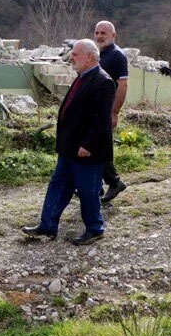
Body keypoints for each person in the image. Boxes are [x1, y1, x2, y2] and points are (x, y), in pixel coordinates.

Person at [22, 39, 115, 245]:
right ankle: (47, 226)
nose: (71, 57)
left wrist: (88, 145)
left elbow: (101, 121)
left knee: (87, 191)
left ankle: (95, 228)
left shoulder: (103, 81)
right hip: (69, 148)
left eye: (75, 54)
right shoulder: (82, 77)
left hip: (86, 150)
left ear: (90, 57)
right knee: (58, 185)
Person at [92, 20, 128, 205]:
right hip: (94, 110)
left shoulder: (117, 56)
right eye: (97, 32)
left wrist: (115, 112)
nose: (99, 36)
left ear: (113, 35)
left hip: (106, 111)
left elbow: (122, 86)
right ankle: (95, 187)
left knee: (101, 149)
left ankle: (114, 182)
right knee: (94, 148)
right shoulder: (99, 54)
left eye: (103, 33)